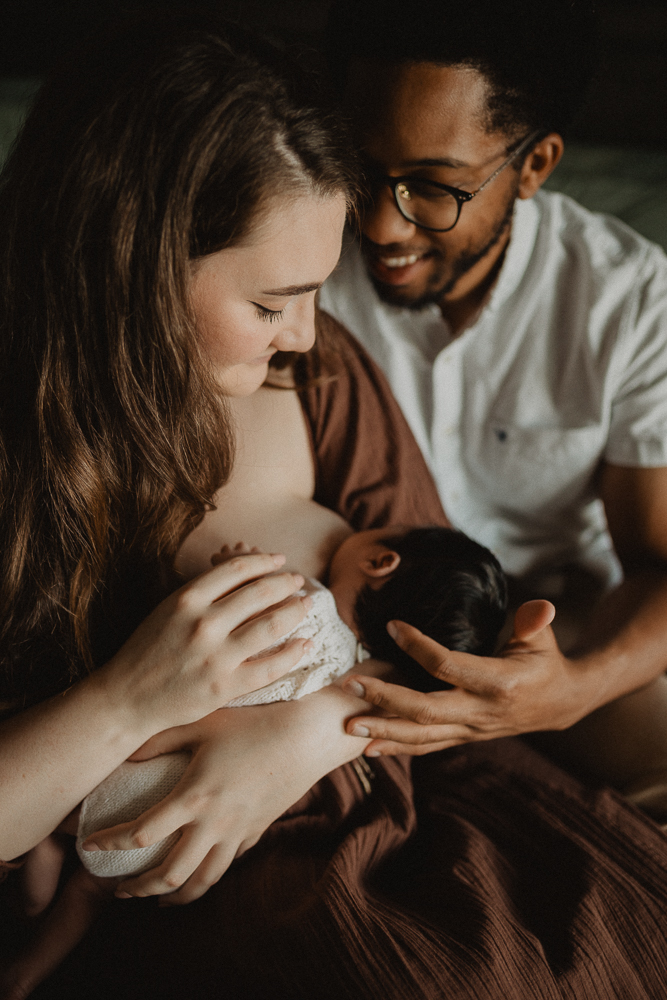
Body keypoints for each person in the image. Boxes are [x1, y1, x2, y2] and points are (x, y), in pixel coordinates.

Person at [2, 11, 667, 1000]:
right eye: (274, 303)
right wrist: (129, 700)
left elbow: (422, 621)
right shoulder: (33, 465)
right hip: (169, 852)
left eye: (316, 293)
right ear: (133, 263)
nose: (308, 331)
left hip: (391, 764)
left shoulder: (320, 377)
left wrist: (307, 728)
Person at [319, 0, 667, 819]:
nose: (377, 223)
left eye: (433, 189)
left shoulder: (627, 303)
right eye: (361, 169)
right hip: (336, 628)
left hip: (558, 642)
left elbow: (657, 565)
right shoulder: (295, 259)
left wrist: (570, 691)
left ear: (535, 165)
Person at [4, 526, 508, 995]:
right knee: (90, 891)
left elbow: (234, 609)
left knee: (64, 811)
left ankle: (44, 850)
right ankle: (28, 971)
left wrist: (239, 563)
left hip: (141, 760)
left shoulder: (306, 601)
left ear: (381, 559)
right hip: (185, 833)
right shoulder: (365, 684)